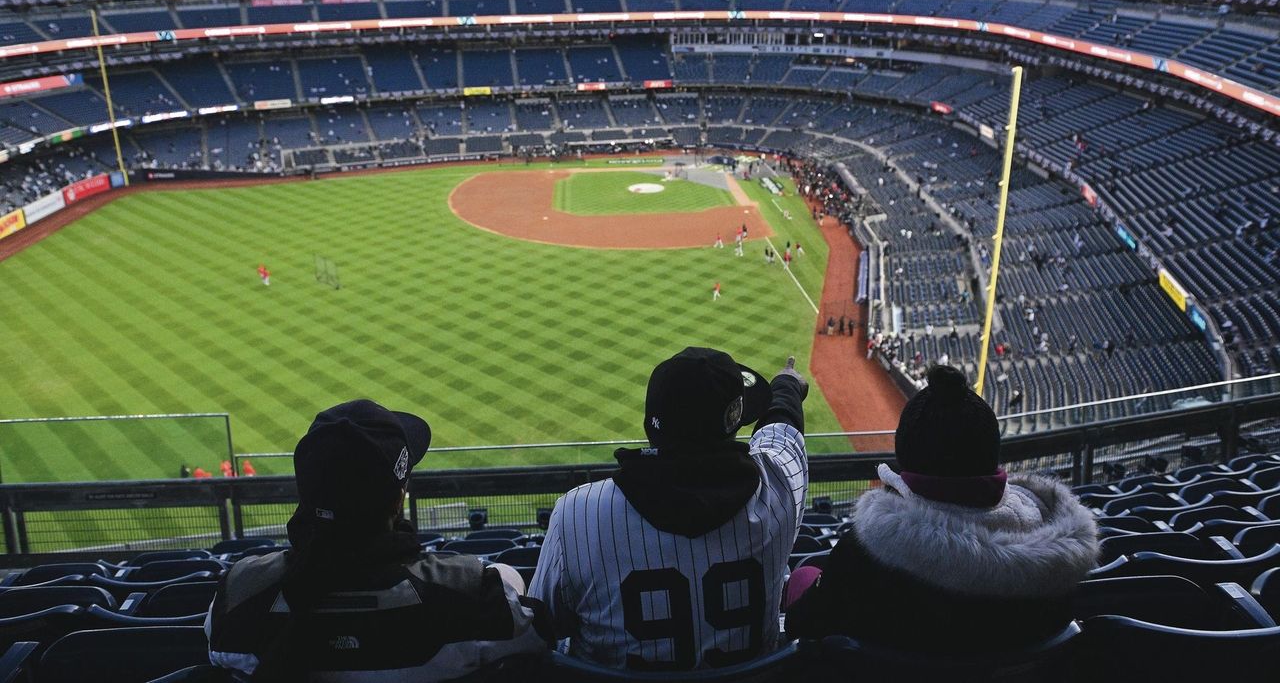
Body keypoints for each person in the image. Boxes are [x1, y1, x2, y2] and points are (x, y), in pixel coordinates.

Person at [207, 400, 550, 679]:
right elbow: (541, 637)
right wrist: (506, 576)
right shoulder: (474, 595)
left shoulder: (237, 596)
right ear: (398, 499)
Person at [530, 348, 809, 670]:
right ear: (734, 421)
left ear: (652, 425)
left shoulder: (576, 514)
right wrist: (787, 384)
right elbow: (782, 431)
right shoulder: (778, 488)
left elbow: (543, 625)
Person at [784, 366, 1098, 652]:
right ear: (990, 453)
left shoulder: (865, 554)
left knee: (804, 573)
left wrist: (804, 580)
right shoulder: (1058, 557)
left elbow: (801, 625)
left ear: (906, 457)